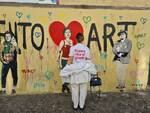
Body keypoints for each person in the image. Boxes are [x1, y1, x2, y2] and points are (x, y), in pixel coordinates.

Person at [67, 33, 91, 110]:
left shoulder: (72, 48)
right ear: (83, 39)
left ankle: (75, 105)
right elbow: (88, 61)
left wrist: (68, 70)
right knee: (83, 89)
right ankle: (81, 105)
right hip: (84, 72)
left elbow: (70, 61)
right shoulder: (86, 49)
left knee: (74, 89)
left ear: (76, 39)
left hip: (75, 72)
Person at [57, 28, 73, 93]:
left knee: (69, 75)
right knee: (64, 75)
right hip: (63, 60)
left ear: (71, 34)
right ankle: (65, 87)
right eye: (66, 32)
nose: (68, 34)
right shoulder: (62, 42)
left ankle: (64, 86)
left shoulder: (71, 41)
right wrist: (59, 63)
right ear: (64, 34)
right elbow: (59, 52)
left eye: (69, 32)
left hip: (69, 60)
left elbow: (71, 52)